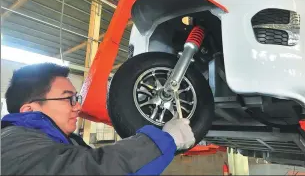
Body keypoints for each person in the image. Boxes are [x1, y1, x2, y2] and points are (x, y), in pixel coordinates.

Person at [1, 62, 195, 175]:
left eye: (76, 98)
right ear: (28, 110)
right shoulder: (11, 144)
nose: (78, 106)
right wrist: (163, 141)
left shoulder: (59, 143)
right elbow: (90, 168)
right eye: (69, 98)